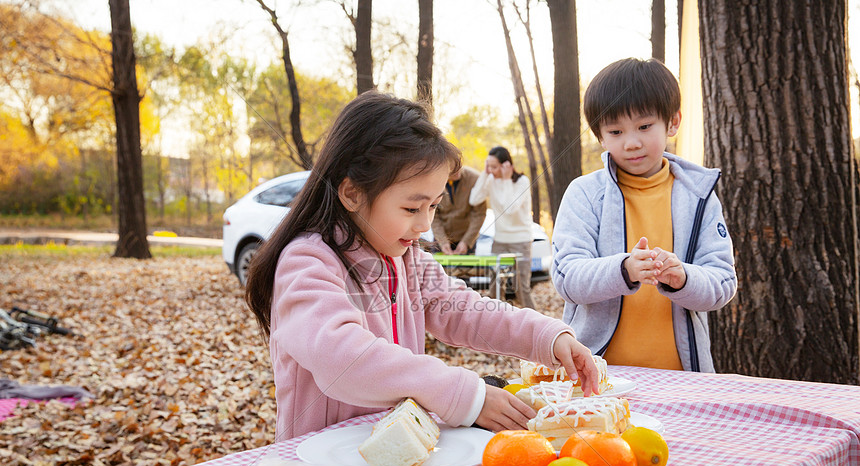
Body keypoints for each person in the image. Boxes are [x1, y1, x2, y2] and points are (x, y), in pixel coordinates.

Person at [244, 91, 600, 441]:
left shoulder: (408, 260)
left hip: (400, 452)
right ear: (352, 194)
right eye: (412, 208)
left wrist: (547, 337)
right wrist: (464, 395)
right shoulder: (307, 262)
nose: (424, 225)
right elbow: (344, 359)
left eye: (433, 206)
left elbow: (469, 311)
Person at [551, 58, 737, 372]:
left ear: (673, 122)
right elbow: (568, 278)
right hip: (597, 378)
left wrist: (683, 278)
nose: (632, 142)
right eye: (616, 131)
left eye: (644, 126)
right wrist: (624, 269)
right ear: (600, 136)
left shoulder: (699, 195)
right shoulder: (584, 194)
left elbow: (722, 283)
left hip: (683, 378)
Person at [468, 146, 536, 309]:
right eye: (488, 166)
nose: (491, 170)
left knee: (522, 289)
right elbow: (474, 199)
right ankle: (496, 326)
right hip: (499, 240)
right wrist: (484, 174)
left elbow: (510, 208)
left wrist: (506, 180)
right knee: (495, 287)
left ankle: (538, 328)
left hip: (521, 241)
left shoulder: (522, 182)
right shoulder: (491, 179)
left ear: (506, 165)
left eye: (494, 167)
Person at [431, 165, 485, 255]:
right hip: (440, 240)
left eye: (458, 166)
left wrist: (466, 241)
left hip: (467, 239)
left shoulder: (475, 179)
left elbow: (479, 215)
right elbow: (434, 216)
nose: (457, 171)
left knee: (469, 269)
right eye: (452, 168)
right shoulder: (433, 181)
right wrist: (443, 241)